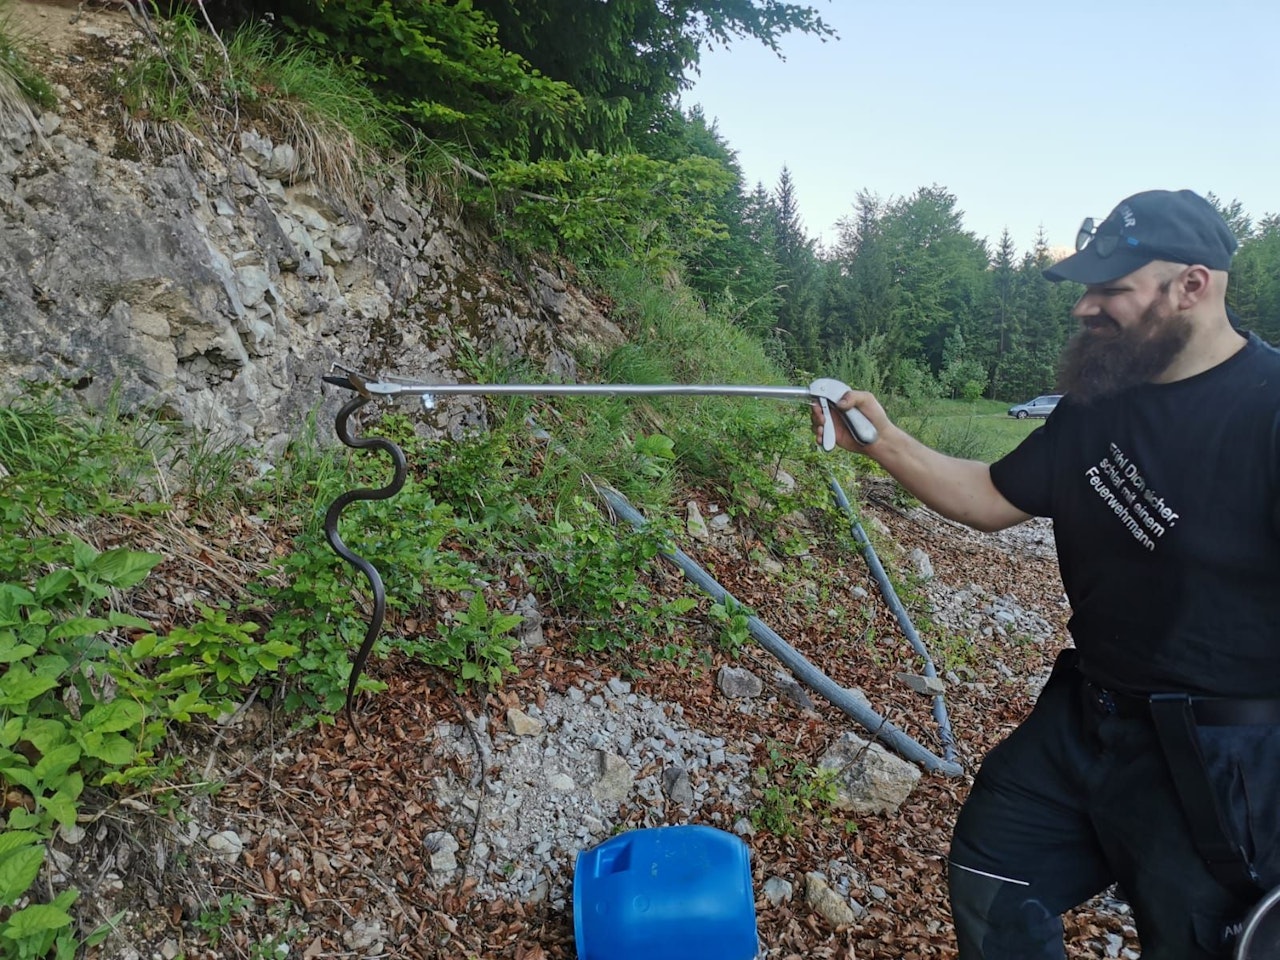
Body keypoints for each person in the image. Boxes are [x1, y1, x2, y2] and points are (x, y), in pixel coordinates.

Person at [813, 189, 1280, 959]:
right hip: (1087, 716)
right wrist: (883, 443)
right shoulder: (1100, 405)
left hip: (1220, 762)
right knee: (993, 869)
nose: (1086, 309)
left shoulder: (1266, 413)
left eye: (1113, 290)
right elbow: (995, 496)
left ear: (1193, 286)